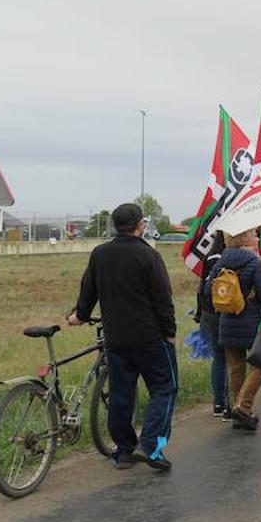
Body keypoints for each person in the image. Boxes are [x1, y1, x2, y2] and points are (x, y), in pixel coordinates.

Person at [68, 202, 178, 471]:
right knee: (165, 388)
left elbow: (88, 291)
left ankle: (124, 451)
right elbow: (162, 298)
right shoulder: (148, 256)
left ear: (115, 226)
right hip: (151, 338)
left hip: (116, 339)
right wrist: (170, 332)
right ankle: (151, 446)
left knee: (120, 395)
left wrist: (79, 316)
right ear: (140, 225)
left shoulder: (100, 254)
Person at [206, 229, 261, 431]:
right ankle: (244, 406)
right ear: (246, 239)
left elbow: (209, 291)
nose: (257, 238)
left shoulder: (220, 262)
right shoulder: (255, 263)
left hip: (227, 321)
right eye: (254, 234)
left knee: (235, 368)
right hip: (251, 322)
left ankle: (239, 413)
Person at [194, 230, 230, 419]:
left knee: (218, 359)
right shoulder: (228, 259)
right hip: (225, 313)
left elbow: (202, 288)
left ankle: (218, 402)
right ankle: (229, 405)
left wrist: (199, 313)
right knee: (231, 359)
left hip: (208, 313)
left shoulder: (210, 258)